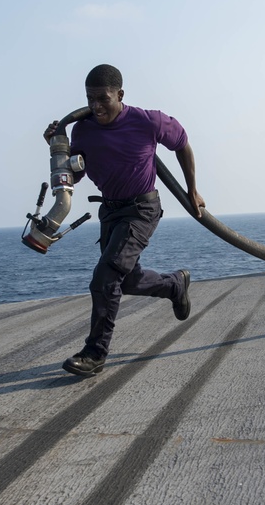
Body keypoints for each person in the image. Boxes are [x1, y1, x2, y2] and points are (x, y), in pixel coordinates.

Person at [43, 64, 203, 377]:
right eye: (90, 99)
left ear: (120, 94)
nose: (96, 106)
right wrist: (55, 149)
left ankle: (95, 353)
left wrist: (192, 190)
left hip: (142, 209)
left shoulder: (147, 121)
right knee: (126, 279)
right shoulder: (83, 129)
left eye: (103, 98)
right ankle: (174, 285)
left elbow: (182, 142)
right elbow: (75, 174)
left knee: (106, 276)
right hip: (110, 211)